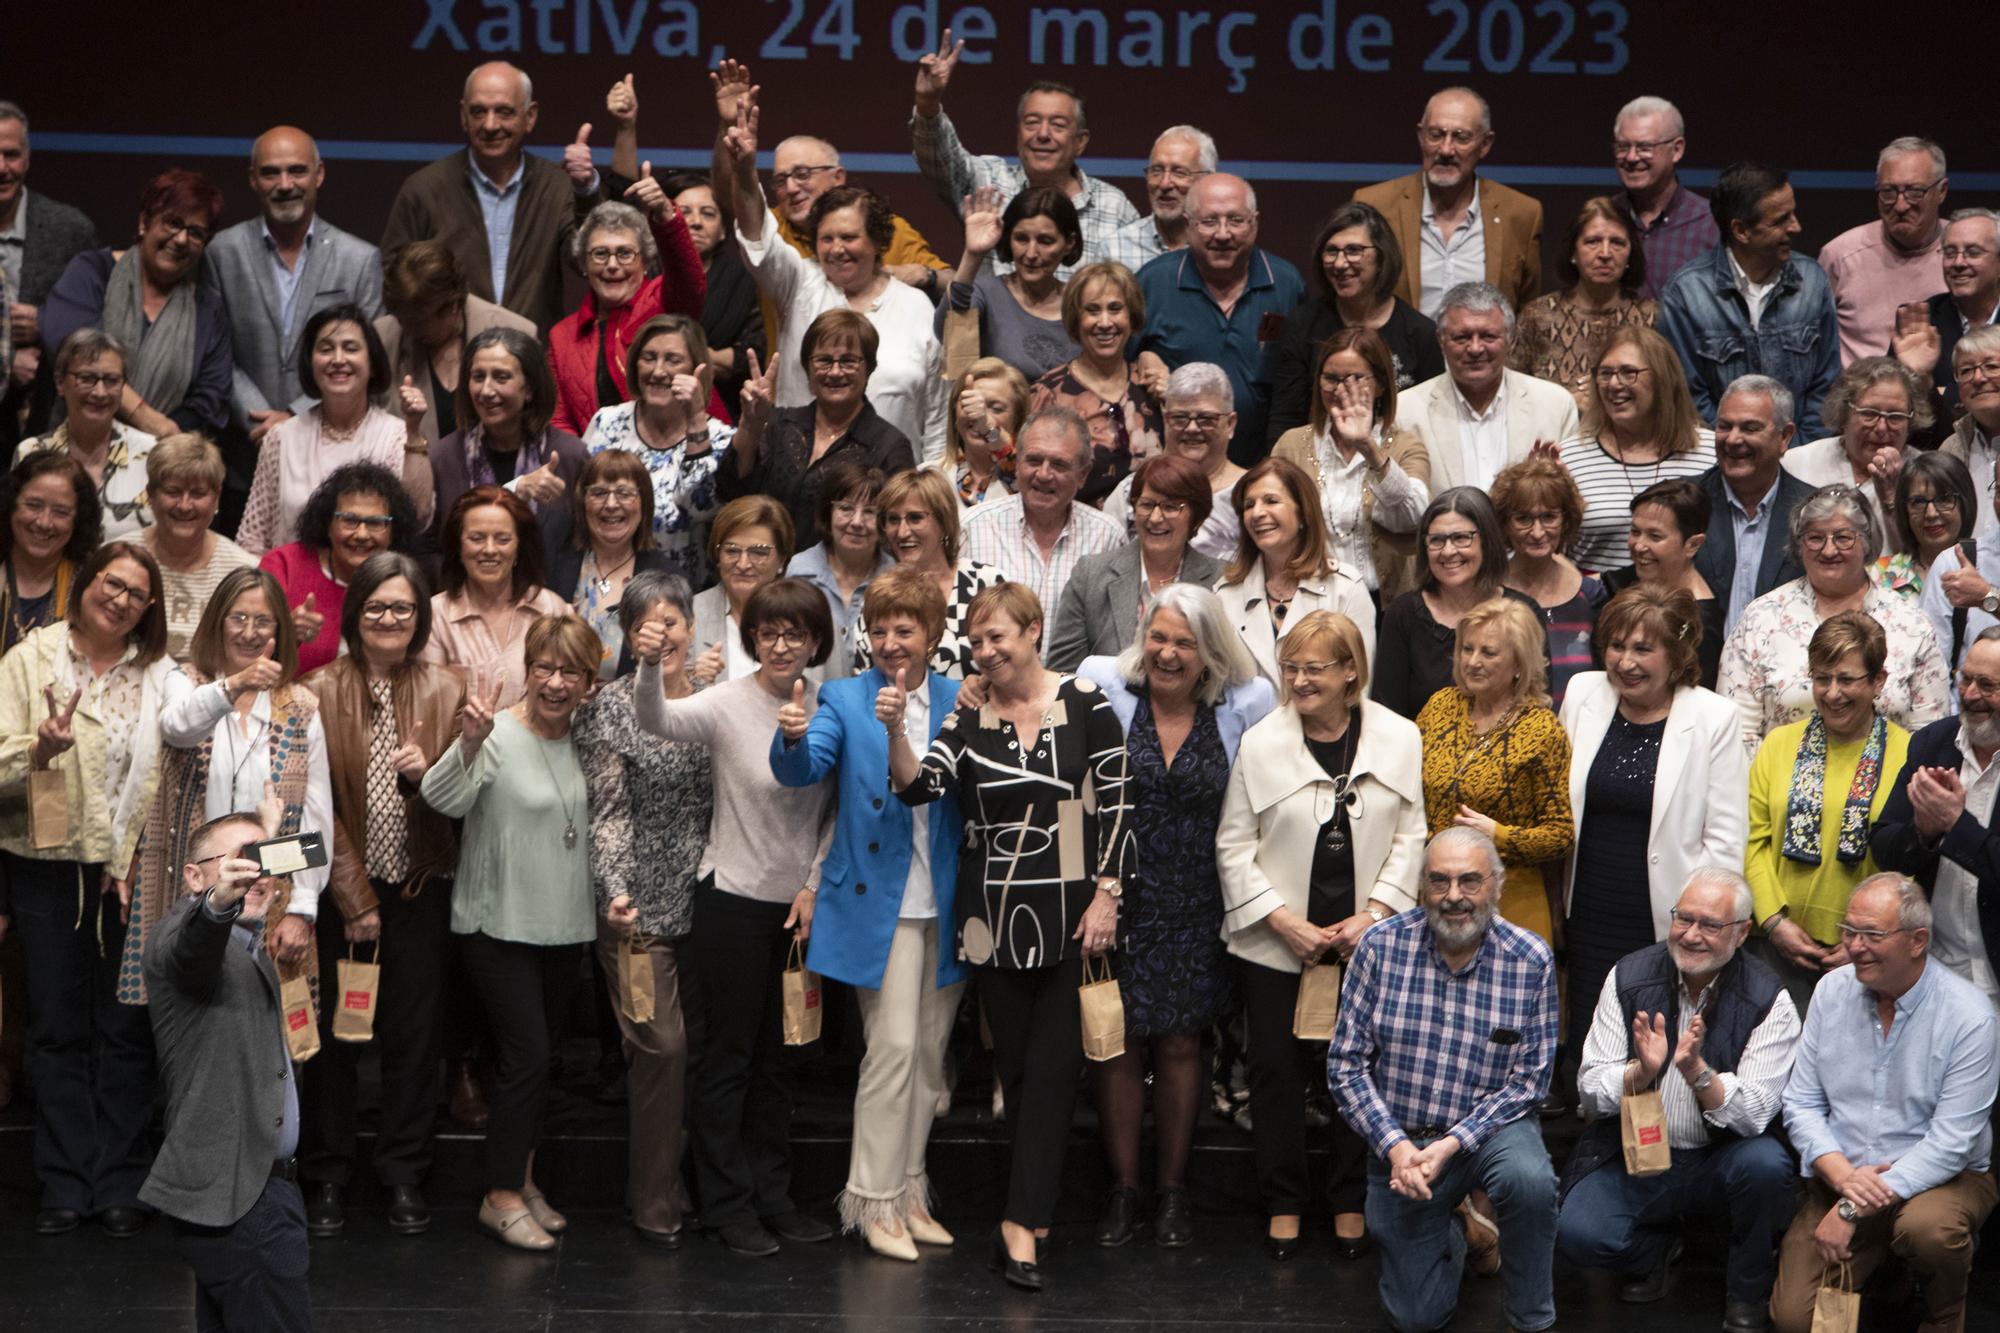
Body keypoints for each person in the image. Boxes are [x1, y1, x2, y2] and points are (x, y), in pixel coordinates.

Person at [883, 582, 1130, 1291]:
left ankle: (1019, 1228)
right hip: (991, 917)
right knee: (1017, 1076)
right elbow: (917, 788)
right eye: (978, 641)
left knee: (1055, 1071)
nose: (987, 652)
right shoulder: (968, 717)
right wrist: (897, 729)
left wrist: (1108, 894)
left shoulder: (1086, 701)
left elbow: (1118, 803)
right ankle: (1032, 1215)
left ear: (1034, 630)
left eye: (999, 638)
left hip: (1073, 914)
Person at [631, 579, 838, 1258]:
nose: (781, 644)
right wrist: (647, 663)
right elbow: (656, 719)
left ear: (815, 642)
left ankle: (773, 1196)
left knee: (782, 1061)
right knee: (730, 1060)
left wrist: (811, 884)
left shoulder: (828, 705)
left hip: (798, 910)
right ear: (753, 639)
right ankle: (726, 1202)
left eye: (796, 634)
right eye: (769, 632)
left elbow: (838, 809)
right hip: (732, 902)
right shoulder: (726, 703)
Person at [770, 565, 967, 1260]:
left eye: (903, 627)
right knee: (890, 1052)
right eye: (878, 628)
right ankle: (871, 1197)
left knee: (928, 1060)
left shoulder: (958, 697)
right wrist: (792, 733)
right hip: (874, 904)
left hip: (946, 902)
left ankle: (909, 1192)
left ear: (932, 633)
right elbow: (805, 768)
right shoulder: (842, 698)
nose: (889, 640)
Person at [1217, 608, 1422, 1261]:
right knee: (1274, 1069)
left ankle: (1348, 1197)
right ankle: (1282, 1199)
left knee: (1358, 1072)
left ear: (1350, 672)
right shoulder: (1261, 741)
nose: (1299, 680)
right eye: (1292, 668)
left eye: (1314, 668)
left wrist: (1376, 915)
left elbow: (1414, 834)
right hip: (1281, 939)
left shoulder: (1399, 736)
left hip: (1366, 941)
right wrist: (1284, 921)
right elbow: (1232, 845)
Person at [1080, 585, 1273, 1248]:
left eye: (1184, 643)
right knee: (1119, 1040)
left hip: (1198, 900)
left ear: (1209, 652)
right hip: (1115, 897)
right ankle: (1123, 1188)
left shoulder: (1244, 704)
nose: (1167, 653)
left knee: (1183, 1041)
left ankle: (1172, 1193)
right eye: (1159, 637)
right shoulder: (1104, 686)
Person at [0, 541, 174, 1236]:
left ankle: (123, 1182)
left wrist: (142, 859)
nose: (120, 598)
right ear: (87, 582)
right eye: (111, 583)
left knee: (127, 1031)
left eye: (136, 592)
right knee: (57, 1029)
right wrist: (37, 750)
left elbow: (177, 771)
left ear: (149, 607)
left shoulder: (162, 674)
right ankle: (65, 1181)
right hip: (46, 869)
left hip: (130, 873)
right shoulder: (30, 660)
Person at [421, 613, 606, 1250]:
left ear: (589, 682)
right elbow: (442, 799)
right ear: (527, 671)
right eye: (544, 668)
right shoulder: (493, 730)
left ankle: (524, 1181)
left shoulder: (589, 738)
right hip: (495, 923)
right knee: (525, 1056)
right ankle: (498, 1196)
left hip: (565, 924)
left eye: (570, 672)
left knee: (542, 1060)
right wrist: (467, 744)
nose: (555, 683)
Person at [1328, 826, 1560, 1333]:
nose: (1454, 896)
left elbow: (1530, 1083)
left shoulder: (1530, 959)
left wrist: (1455, 1143)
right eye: (1440, 881)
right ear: (1421, 887)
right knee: (1415, 1317)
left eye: (1470, 881)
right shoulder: (1380, 948)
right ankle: (1464, 1227)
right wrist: (1395, 1148)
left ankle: (1531, 1317)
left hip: (1488, 1135)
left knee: (1530, 1180)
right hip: (1404, 1147)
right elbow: (1345, 1065)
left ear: (1496, 886)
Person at [1558, 868, 1801, 1332]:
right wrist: (1641, 1072)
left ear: (1742, 932)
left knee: (1766, 1166)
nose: (1691, 935)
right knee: (1577, 1234)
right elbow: (1588, 1087)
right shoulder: (1629, 975)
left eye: (1709, 924)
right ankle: (1655, 1249)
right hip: (1639, 1151)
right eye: (1683, 918)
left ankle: (1746, 1291)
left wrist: (1697, 1073)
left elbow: (1754, 1113)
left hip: (1723, 1157)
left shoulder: (1770, 998)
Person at [302, 552, 464, 1239]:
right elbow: (311, 808)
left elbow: (466, 805)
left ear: (420, 616)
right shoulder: (314, 689)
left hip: (420, 887)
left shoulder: (450, 690)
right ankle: (328, 1175)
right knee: (334, 1042)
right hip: (341, 896)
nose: (390, 618)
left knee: (413, 1037)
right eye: (377, 607)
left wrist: (430, 776)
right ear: (355, 615)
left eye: (403, 607)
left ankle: (403, 1173)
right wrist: (353, 895)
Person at [1771, 874, 1999, 1333]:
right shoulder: (1831, 992)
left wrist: (1853, 1208)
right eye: (1848, 931)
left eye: (1872, 935)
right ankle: (1889, 1272)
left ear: (1918, 941)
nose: (1854, 946)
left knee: (1928, 1230)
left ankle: (1941, 1314)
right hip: (1844, 1174)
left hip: (1942, 1181)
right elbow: (1801, 1102)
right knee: (1795, 1321)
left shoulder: (1971, 1017)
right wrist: (1841, 1177)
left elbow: (1951, 1144)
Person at [1561, 586, 1750, 1093]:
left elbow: (1726, 842)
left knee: (1654, 1043)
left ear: (1677, 654)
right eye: (1616, 645)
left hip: (1667, 920)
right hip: (1588, 907)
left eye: (1643, 649)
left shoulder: (1714, 718)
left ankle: (1656, 1160)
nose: (1625, 662)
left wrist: (1698, 926)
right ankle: (1593, 1152)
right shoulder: (1583, 694)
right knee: (1591, 1041)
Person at [572, 570, 711, 1246]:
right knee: (662, 1046)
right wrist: (615, 887)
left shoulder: (718, 701)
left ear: (692, 626)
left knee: (710, 1052)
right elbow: (608, 811)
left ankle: (708, 1186)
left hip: (712, 903)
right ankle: (656, 1204)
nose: (662, 635)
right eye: (645, 625)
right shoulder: (609, 707)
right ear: (627, 638)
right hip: (637, 912)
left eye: (673, 622)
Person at [140, 810, 312, 1332]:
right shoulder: (181, 937)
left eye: (259, 860)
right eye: (236, 860)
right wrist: (219, 903)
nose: (253, 873)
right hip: (241, 1196)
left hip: (252, 1190)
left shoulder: (251, 947)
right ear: (195, 877)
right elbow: (194, 947)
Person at [724, 101, 945, 462]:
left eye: (849, 238)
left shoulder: (916, 306)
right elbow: (757, 236)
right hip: (800, 474)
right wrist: (746, 171)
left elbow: (936, 417)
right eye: (826, 239)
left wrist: (932, 484)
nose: (836, 249)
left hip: (892, 484)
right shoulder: (798, 282)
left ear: (877, 242)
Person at [1745, 612, 1909, 1011]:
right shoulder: (1778, 744)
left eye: (1847, 679)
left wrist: (1866, 940)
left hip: (1870, 956)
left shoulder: (1908, 753)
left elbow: (1909, 861)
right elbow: (1753, 841)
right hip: (1776, 947)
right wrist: (1773, 921)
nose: (1833, 693)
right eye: (1822, 678)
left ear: (1878, 681)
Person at [1719, 486, 1949, 753]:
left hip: (1888, 787)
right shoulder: (1761, 617)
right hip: (1777, 789)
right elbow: (1738, 731)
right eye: (1815, 538)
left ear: (1865, 543)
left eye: (1843, 537)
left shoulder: (1911, 623)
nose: (1828, 551)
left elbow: (1929, 734)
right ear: (1799, 544)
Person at [380, 62, 601, 333]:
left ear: (530, 116)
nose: (490, 124)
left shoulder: (556, 185)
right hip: (452, 363)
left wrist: (585, 191)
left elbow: (585, 261)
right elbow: (393, 286)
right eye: (478, 112)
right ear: (463, 116)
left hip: (532, 360)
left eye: (504, 112)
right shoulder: (423, 190)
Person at [203, 126, 383, 453]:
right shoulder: (221, 252)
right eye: (271, 173)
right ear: (253, 179)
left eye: (297, 171)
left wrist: (296, 417)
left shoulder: (359, 259)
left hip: (331, 449)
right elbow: (215, 353)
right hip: (244, 451)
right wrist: (262, 422)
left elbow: (369, 356)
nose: (285, 185)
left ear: (319, 174)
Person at [701, 60, 951, 296]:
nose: (790, 188)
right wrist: (730, 126)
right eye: (780, 180)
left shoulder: (885, 228)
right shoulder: (774, 229)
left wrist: (925, 275)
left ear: (838, 176)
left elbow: (957, 285)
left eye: (802, 174)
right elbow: (731, 196)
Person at [1415, 596, 1573, 943]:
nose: (1472, 662)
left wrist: (1499, 835)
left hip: (1509, 903)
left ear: (1519, 662)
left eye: (1488, 653)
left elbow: (1560, 835)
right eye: (1466, 649)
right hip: (1436, 894)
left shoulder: (1542, 730)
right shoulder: (1440, 707)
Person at [908, 41, 1141, 269]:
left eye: (1058, 125)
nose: (1042, 134)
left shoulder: (1114, 206)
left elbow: (1133, 291)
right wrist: (928, 103)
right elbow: (938, 158)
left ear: (1080, 142)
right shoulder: (988, 181)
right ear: (1018, 133)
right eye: (1032, 123)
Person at [40, 169, 232, 440]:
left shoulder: (208, 311)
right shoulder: (92, 273)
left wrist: (149, 443)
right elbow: (76, 355)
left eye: (196, 233)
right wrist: (148, 421)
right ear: (144, 222)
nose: (180, 240)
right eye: (172, 223)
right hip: (71, 454)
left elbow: (210, 402)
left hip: (161, 465)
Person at [1658, 162, 1841, 439]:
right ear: (1741, 230)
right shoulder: (1686, 292)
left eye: (1793, 214)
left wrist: (1796, 452)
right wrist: (1737, 445)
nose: (1797, 227)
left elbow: (1826, 385)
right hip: (1719, 458)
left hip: (1799, 458)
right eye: (1781, 220)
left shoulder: (1812, 281)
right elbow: (1686, 397)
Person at [1131, 173, 1305, 465]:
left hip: (1262, 468)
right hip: (1172, 468)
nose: (1223, 234)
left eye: (1235, 220)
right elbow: (1114, 369)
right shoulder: (1153, 282)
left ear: (1255, 223)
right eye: (1209, 221)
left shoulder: (1287, 284)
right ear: (1188, 225)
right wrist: (1141, 362)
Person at [236, 303, 434, 556]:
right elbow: (251, 540)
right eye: (326, 349)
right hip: (290, 589)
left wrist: (414, 431)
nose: (338, 360)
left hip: (372, 587)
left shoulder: (396, 436)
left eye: (351, 348)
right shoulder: (281, 437)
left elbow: (417, 515)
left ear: (372, 363)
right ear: (311, 363)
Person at [1871, 627, 2000, 1010]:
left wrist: (1955, 825)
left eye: (1988, 685)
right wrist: (1924, 831)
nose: (1971, 694)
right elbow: (1884, 848)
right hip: (1934, 973)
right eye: (1965, 679)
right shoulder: (1932, 744)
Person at [722, 309, 916, 550]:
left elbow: (895, 533)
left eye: (848, 361)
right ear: (808, 367)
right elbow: (728, 491)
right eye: (824, 360)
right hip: (760, 573)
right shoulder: (777, 423)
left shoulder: (890, 446)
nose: (835, 372)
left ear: (869, 368)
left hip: (839, 582)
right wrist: (750, 425)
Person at [1352, 86, 1544, 320]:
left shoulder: (1522, 213)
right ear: (1421, 136)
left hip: (1482, 355)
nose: (1445, 149)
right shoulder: (1375, 205)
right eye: (1436, 135)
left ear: (1485, 144)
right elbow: (1355, 299)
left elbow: (1527, 315)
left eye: (1461, 138)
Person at [1271, 326, 1432, 603]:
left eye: (1356, 378)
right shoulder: (1291, 445)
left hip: (1385, 604)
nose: (1341, 389)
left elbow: (1415, 518)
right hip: (1309, 600)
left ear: (1380, 384)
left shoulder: (1406, 445)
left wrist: (1368, 447)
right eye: (1331, 378)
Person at [1267, 200, 1445, 442]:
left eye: (1353, 250)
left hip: (1396, 465)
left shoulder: (1420, 333)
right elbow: (1285, 418)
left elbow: (1431, 424)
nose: (1340, 264)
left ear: (1381, 256)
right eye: (1331, 251)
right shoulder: (1303, 324)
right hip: (1315, 467)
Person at [545, 174, 705, 437]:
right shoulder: (561, 336)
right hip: (598, 470)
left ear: (645, 262)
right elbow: (559, 421)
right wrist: (589, 468)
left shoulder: (664, 303)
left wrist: (666, 216)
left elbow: (691, 281)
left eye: (624, 253)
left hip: (678, 455)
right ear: (584, 265)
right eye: (599, 253)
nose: (611, 265)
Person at [582, 314, 731, 588]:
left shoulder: (721, 439)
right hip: (606, 585)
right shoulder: (606, 423)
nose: (658, 371)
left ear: (696, 369)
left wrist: (696, 417)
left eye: (673, 360)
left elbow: (701, 507)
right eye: (648, 357)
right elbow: (581, 504)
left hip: (685, 595)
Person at [1559, 325, 1719, 573]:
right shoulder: (1570, 457)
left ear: (1662, 378)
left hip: (1688, 604)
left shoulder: (1711, 453)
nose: (1613, 384)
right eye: (1605, 373)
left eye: (1628, 372)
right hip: (1598, 604)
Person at [1373, 487, 1543, 720]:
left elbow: (1535, 702)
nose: (1448, 551)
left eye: (1461, 538)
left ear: (1487, 541)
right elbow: (1386, 716)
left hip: (1509, 753)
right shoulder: (1403, 614)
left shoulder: (1522, 612)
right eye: (1437, 540)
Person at [1400, 282, 1579, 494]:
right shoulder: (1406, 411)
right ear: (1441, 340)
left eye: (1488, 336)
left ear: (1511, 339)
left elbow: (1573, 500)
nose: (1475, 348)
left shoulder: (1555, 405)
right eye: (1462, 337)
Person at [1047, 453, 1219, 671]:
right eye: (1146, 505)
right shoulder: (1090, 575)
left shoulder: (1219, 580)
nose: (1155, 518)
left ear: (1196, 515)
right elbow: (1062, 672)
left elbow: (1224, 670)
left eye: (1170, 507)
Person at [1216, 456, 1375, 684]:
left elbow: (1358, 687)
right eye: (1249, 505)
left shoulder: (1346, 589)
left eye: (1271, 501)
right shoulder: (1225, 595)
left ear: (1303, 513)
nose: (1257, 513)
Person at [433, 326, 590, 554]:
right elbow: (428, 547)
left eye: (501, 377)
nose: (486, 390)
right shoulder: (444, 457)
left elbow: (587, 543)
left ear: (529, 389)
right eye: (478, 377)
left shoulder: (570, 455)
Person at [961, 407, 1122, 625]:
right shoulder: (973, 527)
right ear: (1017, 465)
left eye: (1059, 464)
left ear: (1083, 474)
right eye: (1034, 461)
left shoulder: (1108, 536)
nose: (1044, 475)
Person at [258, 462, 419, 675]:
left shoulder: (403, 581)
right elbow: (246, 655)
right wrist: (286, 637)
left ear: (393, 531)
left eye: (375, 523)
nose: (362, 534)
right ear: (327, 524)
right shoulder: (283, 565)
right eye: (350, 520)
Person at [0, 103, 99, 448]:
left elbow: (98, 324)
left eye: (11, 155)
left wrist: (44, 326)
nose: (2, 168)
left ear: (27, 158)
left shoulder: (70, 229)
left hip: (49, 422)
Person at [373, 240, 535, 449]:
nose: (408, 331)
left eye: (418, 323)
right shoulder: (383, 338)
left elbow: (536, 426)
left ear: (453, 306)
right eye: (401, 320)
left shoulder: (515, 333)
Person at [1028, 261, 1163, 504]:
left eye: (1115, 309)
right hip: (1078, 536)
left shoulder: (1151, 384)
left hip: (1152, 532)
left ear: (1131, 316)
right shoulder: (1048, 393)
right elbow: (1028, 481)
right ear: (1075, 320)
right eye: (1092, 310)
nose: (1104, 322)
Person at [853, 466, 1007, 680]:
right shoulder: (877, 595)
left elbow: (1014, 663)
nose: (902, 532)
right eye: (893, 520)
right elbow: (864, 679)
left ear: (944, 523)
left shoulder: (986, 583)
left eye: (915, 518)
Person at [422, 486, 567, 707]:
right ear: (458, 547)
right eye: (477, 538)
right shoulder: (435, 616)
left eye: (502, 539)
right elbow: (432, 707)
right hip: (464, 742)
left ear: (519, 548)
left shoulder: (551, 608)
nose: (489, 549)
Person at [1695, 375, 1813, 637]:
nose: (1733, 439)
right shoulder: (1683, 504)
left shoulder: (1814, 512)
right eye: (1725, 426)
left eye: (1749, 428)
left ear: (1784, 437)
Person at [1510, 198, 1657, 406]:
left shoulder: (1651, 317)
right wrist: (1567, 404)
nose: (1605, 254)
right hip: (1554, 435)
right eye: (1592, 241)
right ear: (1573, 252)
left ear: (1630, 253)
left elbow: (1668, 396)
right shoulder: (1538, 316)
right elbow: (1512, 398)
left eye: (1617, 242)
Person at [545, 449, 674, 679]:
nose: (611, 504)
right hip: (553, 704)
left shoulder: (666, 577)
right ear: (582, 502)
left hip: (628, 710)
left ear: (643, 504)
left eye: (624, 493)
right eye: (599, 492)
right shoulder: (553, 551)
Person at [1820, 137, 1950, 364]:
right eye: (1888, 191)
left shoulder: (1964, 254)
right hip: (1859, 394)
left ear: (1941, 191)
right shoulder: (1840, 256)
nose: (1900, 205)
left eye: (1915, 191)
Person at [1779, 356, 1930, 551]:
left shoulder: (1926, 474)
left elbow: (1926, 557)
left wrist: (1893, 499)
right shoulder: (1796, 463)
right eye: (1869, 414)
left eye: (1895, 417)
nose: (1882, 428)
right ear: (1844, 412)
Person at [15, 327, 154, 537]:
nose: (100, 392)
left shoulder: (151, 452)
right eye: (87, 378)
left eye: (111, 380)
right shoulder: (32, 452)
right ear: (60, 383)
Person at [1101, 362, 1247, 560]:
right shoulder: (1132, 492)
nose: (1192, 428)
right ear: (1165, 420)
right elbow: (1105, 571)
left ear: (1230, 424)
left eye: (1206, 419)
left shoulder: (1251, 496)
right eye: (1180, 418)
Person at [1491, 457, 1604, 708]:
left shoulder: (1592, 596)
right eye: (1523, 519)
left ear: (1566, 519)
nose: (1538, 532)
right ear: (1503, 523)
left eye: (1549, 517)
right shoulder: (1490, 595)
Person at [939, 185, 1082, 383]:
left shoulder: (1082, 304)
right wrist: (973, 254)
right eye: (1022, 239)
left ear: (1069, 243)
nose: (1031, 253)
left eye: (1045, 241)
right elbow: (948, 333)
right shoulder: (987, 293)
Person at [135, 433, 256, 661]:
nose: (185, 505)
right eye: (173, 492)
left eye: (198, 493)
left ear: (217, 497)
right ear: (150, 494)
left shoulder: (244, 571)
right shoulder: (120, 556)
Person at [1599, 479, 1727, 688]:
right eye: (1635, 532)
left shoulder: (1702, 622)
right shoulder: (1619, 582)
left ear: (1693, 544)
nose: (1639, 546)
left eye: (1654, 536)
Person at [663, 170, 764, 417]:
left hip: (723, 412)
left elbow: (747, 355)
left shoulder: (745, 279)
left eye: (707, 213)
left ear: (722, 231)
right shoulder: (647, 273)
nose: (695, 221)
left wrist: (674, 357)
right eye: (683, 212)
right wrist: (712, 355)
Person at [785, 458, 892, 680]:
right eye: (846, 509)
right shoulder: (800, 572)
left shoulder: (895, 579)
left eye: (870, 512)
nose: (857, 522)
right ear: (828, 513)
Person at [1895, 208, 2000, 423]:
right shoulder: (1921, 321)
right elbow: (1894, 410)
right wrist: (1920, 379)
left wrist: (1948, 393)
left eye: (1973, 252)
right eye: (1950, 253)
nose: (1959, 263)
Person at [1609, 95, 1718, 300]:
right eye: (1623, 147)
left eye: (1644, 147)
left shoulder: (1712, 224)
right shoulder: (1602, 219)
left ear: (1677, 149)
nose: (1632, 157)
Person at [0, 451, 101, 652]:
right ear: (11, 505)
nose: (45, 522)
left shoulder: (92, 585)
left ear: (78, 520)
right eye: (33, 505)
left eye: (61, 512)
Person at [690, 495, 793, 685]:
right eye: (732, 551)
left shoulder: (810, 617)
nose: (743, 564)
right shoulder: (688, 614)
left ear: (781, 560)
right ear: (718, 555)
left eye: (759, 552)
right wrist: (690, 682)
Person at [1102, 126, 1215, 274]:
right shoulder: (1114, 249)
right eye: (1156, 170)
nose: (1164, 183)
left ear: (1207, 179)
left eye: (1179, 172)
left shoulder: (1221, 245)